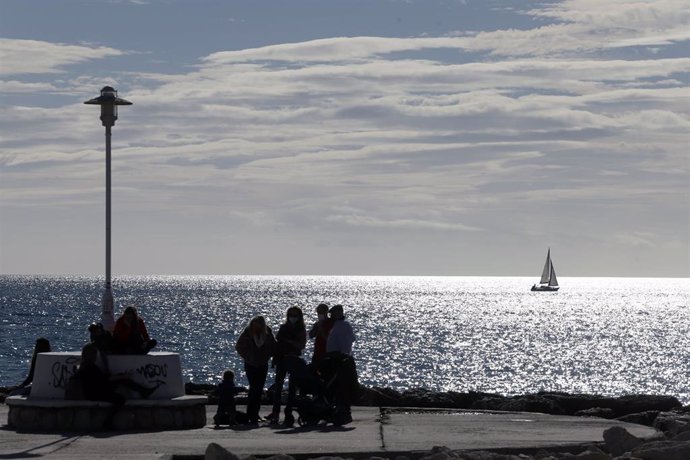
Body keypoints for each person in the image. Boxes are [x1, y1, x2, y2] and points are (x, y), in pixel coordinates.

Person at [74, 343, 158, 428]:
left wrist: (121, 376)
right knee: (120, 399)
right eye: (95, 353)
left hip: (96, 390)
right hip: (95, 394)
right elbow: (105, 379)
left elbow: (102, 379)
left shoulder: (85, 366)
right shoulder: (90, 367)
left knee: (121, 379)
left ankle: (143, 391)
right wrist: (123, 376)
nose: (96, 355)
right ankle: (107, 423)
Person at [267, 306, 307, 426]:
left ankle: (288, 413)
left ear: (299, 317)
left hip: (293, 359)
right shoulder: (283, 328)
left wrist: (289, 342)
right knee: (278, 387)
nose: (292, 318)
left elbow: (301, 345)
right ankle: (275, 412)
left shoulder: (301, 329)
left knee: (292, 388)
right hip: (281, 359)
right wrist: (274, 358)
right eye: (291, 315)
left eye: (295, 315)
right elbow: (278, 344)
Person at [235, 315, 276, 424]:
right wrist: (248, 357)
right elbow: (239, 346)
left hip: (262, 364)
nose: (256, 328)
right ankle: (250, 414)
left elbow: (273, 346)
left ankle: (255, 413)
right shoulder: (247, 333)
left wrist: (268, 355)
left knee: (259, 389)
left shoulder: (267, 333)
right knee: (253, 388)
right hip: (251, 364)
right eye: (254, 325)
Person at [324, 304, 358, 425]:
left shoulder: (344, 325)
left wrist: (343, 355)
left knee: (341, 386)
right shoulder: (336, 325)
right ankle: (338, 411)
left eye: (333, 313)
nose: (331, 315)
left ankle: (345, 413)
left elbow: (348, 342)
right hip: (334, 358)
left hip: (340, 358)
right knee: (336, 386)